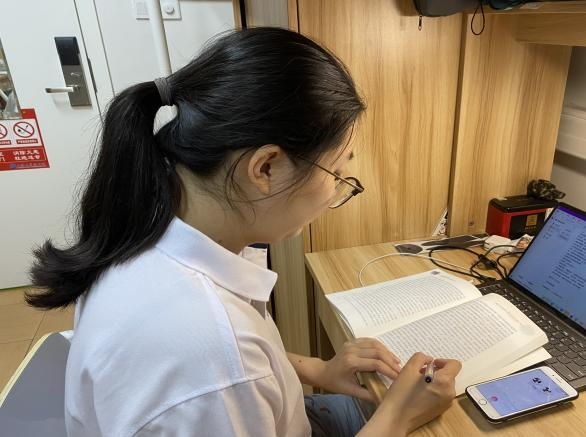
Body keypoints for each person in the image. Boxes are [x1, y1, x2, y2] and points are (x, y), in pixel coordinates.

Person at [27, 27, 461, 436]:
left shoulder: (146, 222)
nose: (337, 191)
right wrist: (398, 416)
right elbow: (224, 369)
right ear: (266, 168)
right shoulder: (207, 358)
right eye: (337, 171)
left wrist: (317, 369)